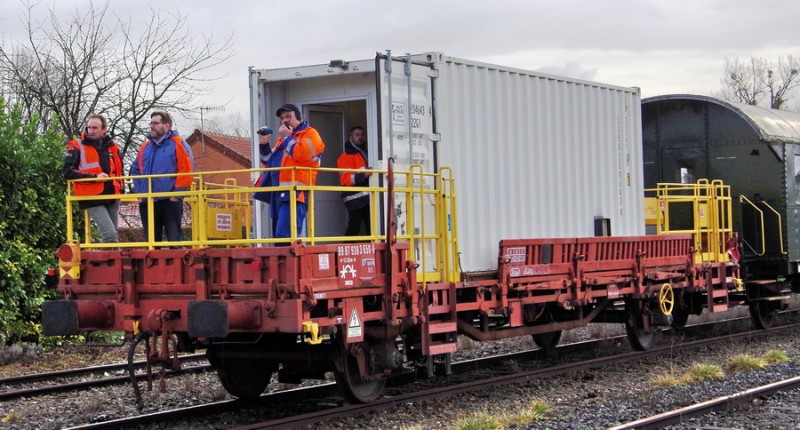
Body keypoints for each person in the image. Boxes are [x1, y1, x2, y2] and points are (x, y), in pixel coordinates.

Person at [130, 111, 194, 243]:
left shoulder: (178, 144)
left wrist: (176, 196)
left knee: (174, 240)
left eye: (156, 123)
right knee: (152, 243)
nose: (152, 126)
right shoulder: (145, 147)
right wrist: (142, 194)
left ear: (167, 125)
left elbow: (186, 170)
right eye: (151, 123)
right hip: (148, 201)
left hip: (170, 201)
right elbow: (135, 170)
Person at [63, 114, 124, 243]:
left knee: (113, 237)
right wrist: (95, 177)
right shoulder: (76, 146)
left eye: (95, 128)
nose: (91, 131)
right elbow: (67, 172)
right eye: (89, 127)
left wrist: (121, 192)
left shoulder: (113, 147)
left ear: (104, 129)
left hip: (112, 196)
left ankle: (113, 262)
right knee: (110, 234)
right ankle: (100, 263)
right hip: (91, 196)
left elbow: (119, 172)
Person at [271, 104, 325, 239]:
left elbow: (301, 155)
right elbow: (269, 161)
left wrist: (287, 139)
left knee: (286, 234)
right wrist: (264, 144)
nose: (285, 121)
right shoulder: (283, 139)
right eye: (282, 118)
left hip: (298, 192)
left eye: (288, 116)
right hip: (280, 192)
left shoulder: (312, 135)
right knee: (278, 234)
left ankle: (287, 259)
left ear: (298, 116)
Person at [337, 126, 372, 236]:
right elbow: (345, 179)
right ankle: (345, 251)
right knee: (354, 227)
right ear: (351, 137)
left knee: (370, 228)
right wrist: (363, 175)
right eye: (357, 135)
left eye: (362, 135)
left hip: (367, 197)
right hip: (354, 198)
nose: (360, 137)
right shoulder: (345, 156)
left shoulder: (366, 152)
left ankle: (370, 251)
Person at [253, 125, 286, 237]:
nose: (281, 128)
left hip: (289, 191)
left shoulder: (295, 142)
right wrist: (264, 142)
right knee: (277, 226)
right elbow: (268, 162)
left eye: (285, 125)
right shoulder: (280, 143)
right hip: (276, 190)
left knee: (284, 227)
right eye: (281, 124)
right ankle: (279, 252)